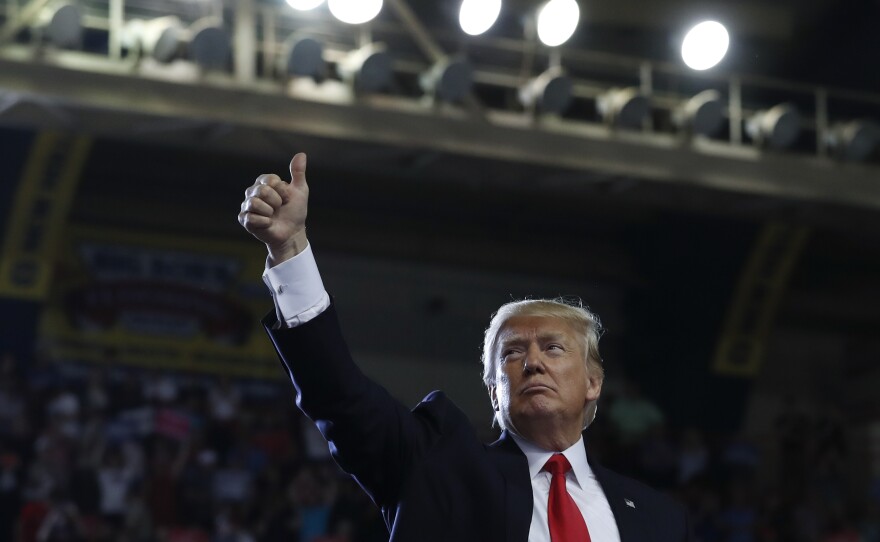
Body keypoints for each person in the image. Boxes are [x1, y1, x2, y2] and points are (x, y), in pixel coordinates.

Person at [238, 153, 692, 542]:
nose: (532, 362)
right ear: (494, 390)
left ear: (594, 382)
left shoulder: (660, 519)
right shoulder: (437, 464)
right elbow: (338, 394)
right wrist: (289, 247)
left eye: (553, 348)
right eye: (512, 354)